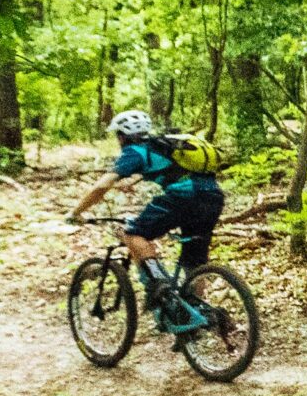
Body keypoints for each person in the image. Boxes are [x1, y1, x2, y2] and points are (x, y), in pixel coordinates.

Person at [70, 111, 224, 322]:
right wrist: (133, 181)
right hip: (213, 197)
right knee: (193, 259)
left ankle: (159, 284)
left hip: (183, 197)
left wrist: (75, 212)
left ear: (122, 136)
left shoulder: (133, 152)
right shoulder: (161, 145)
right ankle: (192, 315)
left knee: (133, 234)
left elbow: (102, 186)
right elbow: (169, 168)